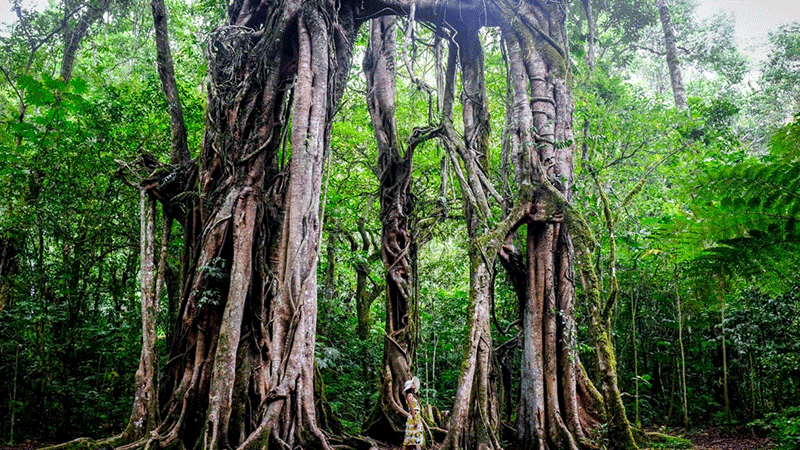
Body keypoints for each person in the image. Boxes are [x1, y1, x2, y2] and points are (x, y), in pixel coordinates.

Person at [402, 376, 423, 450]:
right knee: (410, 440)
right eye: (412, 383)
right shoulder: (409, 395)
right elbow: (412, 408)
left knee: (412, 440)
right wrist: (415, 419)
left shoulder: (412, 395)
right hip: (413, 418)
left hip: (416, 417)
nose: (414, 384)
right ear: (410, 386)